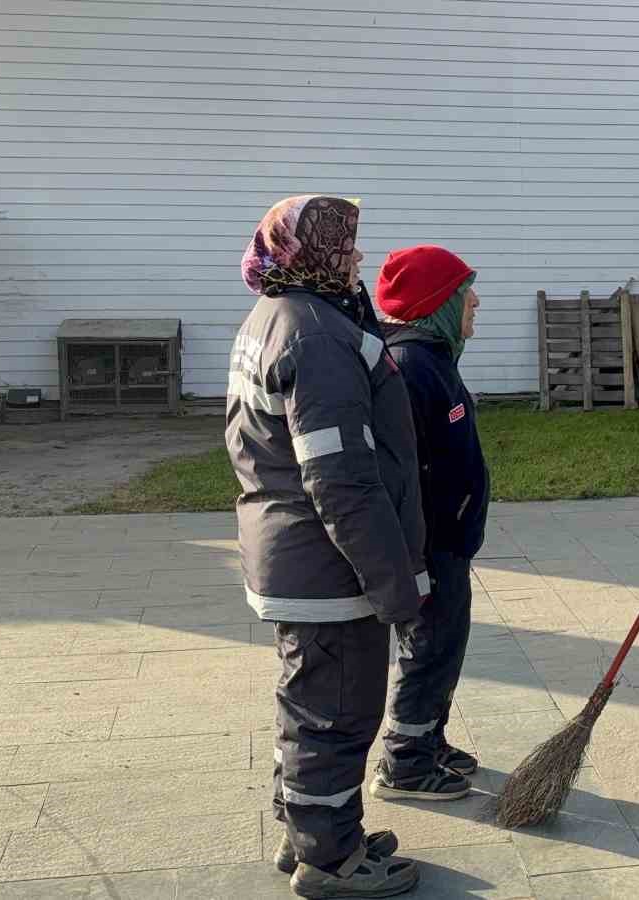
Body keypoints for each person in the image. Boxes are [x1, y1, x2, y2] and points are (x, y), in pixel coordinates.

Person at [226, 195, 428, 899]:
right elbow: (341, 481)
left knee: (310, 701)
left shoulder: (278, 314)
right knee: (338, 712)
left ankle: (310, 831)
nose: (359, 260)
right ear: (311, 254)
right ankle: (332, 861)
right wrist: (395, 586)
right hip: (328, 569)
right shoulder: (314, 338)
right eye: (346, 247)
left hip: (294, 555)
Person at [368, 245, 490, 801]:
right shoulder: (411, 367)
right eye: (466, 291)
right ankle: (405, 762)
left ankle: (429, 740)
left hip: (449, 540)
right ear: (437, 301)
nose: (477, 301)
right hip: (430, 544)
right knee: (429, 646)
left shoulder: (433, 357)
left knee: (446, 643)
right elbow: (403, 468)